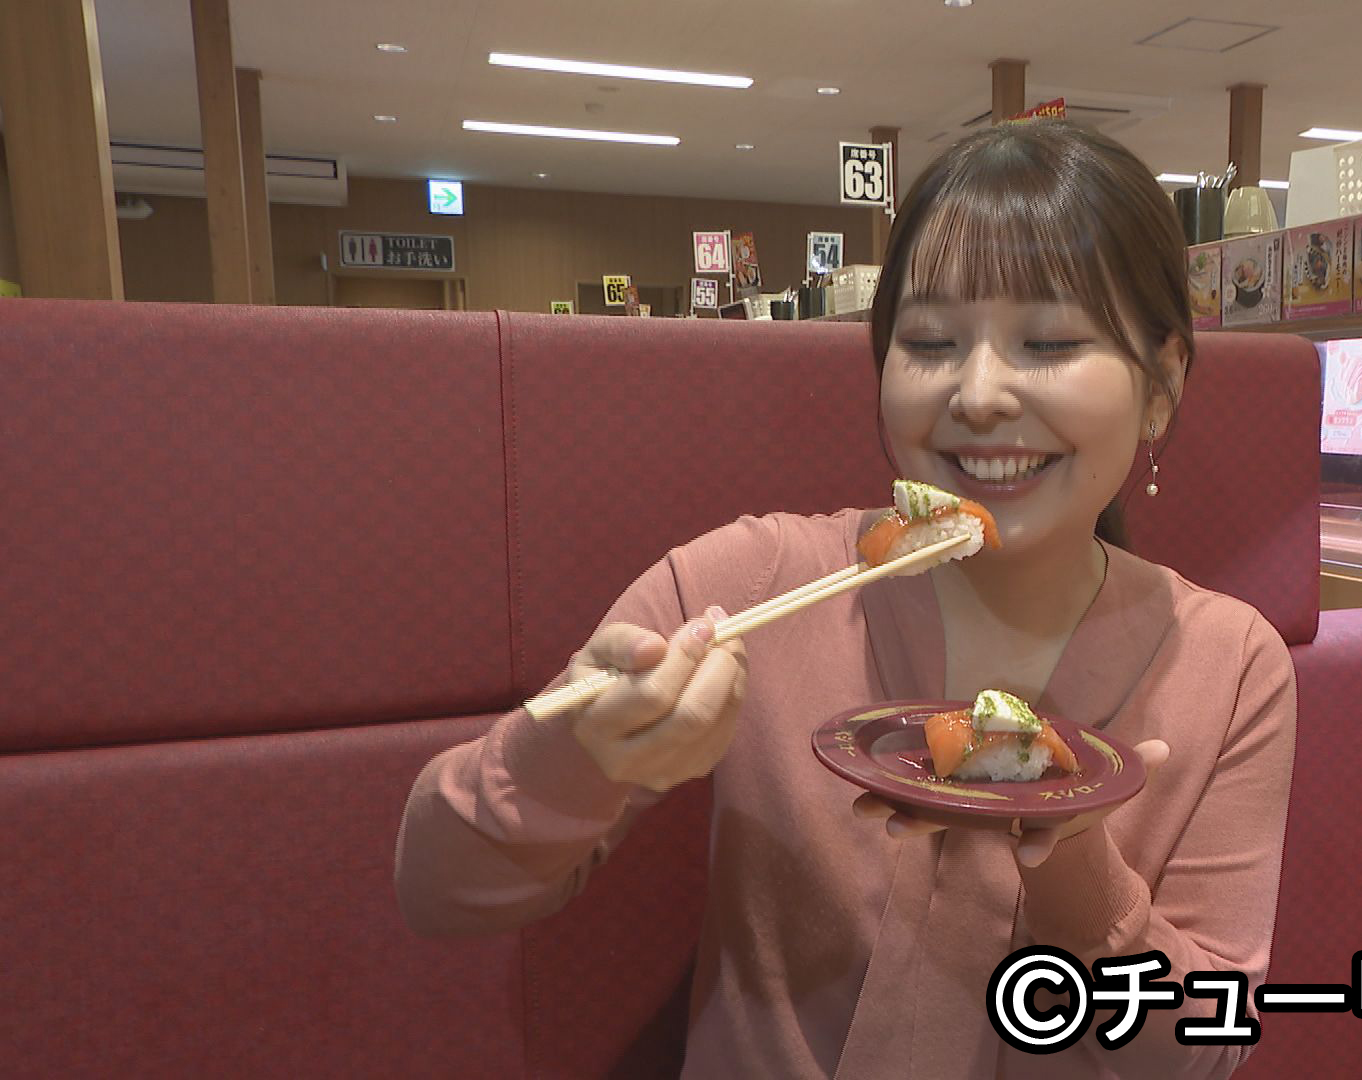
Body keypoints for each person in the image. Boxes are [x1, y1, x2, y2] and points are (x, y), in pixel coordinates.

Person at [395, 119, 1297, 1079]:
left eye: (1048, 341)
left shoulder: (1230, 664)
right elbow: (440, 888)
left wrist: (1077, 864)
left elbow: (1203, 1050)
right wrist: (581, 751)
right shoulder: (750, 587)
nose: (978, 394)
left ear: (1162, 384)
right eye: (931, 341)